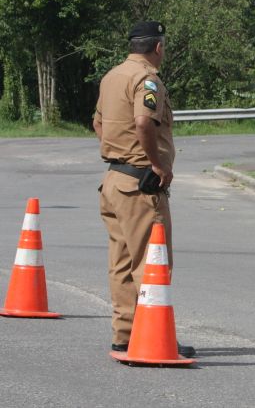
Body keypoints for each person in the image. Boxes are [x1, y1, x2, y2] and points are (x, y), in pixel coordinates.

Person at [93, 21, 194, 358]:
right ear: (158, 47)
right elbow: (143, 122)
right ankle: (154, 337)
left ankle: (125, 335)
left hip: (114, 180)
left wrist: (118, 152)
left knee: (121, 263)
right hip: (140, 185)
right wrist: (156, 164)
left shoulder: (111, 77)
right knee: (152, 262)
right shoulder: (147, 79)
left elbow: (98, 122)